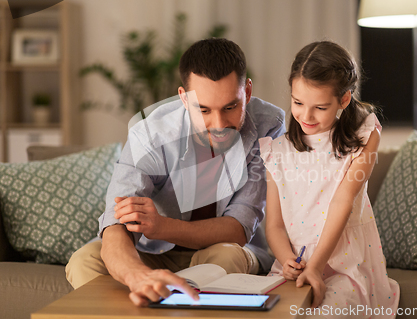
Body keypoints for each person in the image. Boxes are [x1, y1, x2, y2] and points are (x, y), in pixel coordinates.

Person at [66, 38, 286, 307]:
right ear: (184, 97)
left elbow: (238, 228)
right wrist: (138, 276)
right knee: (84, 260)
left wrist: (162, 226)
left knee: (227, 257)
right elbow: (116, 226)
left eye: (230, 107)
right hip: (153, 252)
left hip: (222, 250)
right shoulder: (150, 134)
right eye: (203, 109)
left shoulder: (268, 125)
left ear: (247, 92)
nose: (219, 125)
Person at [260, 41, 399, 316]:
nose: (306, 115)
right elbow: (274, 224)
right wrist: (287, 259)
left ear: (344, 99)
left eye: (320, 107)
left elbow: (342, 202)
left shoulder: (365, 136)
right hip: (294, 267)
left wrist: (315, 267)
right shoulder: (276, 152)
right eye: (298, 102)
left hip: (344, 266)